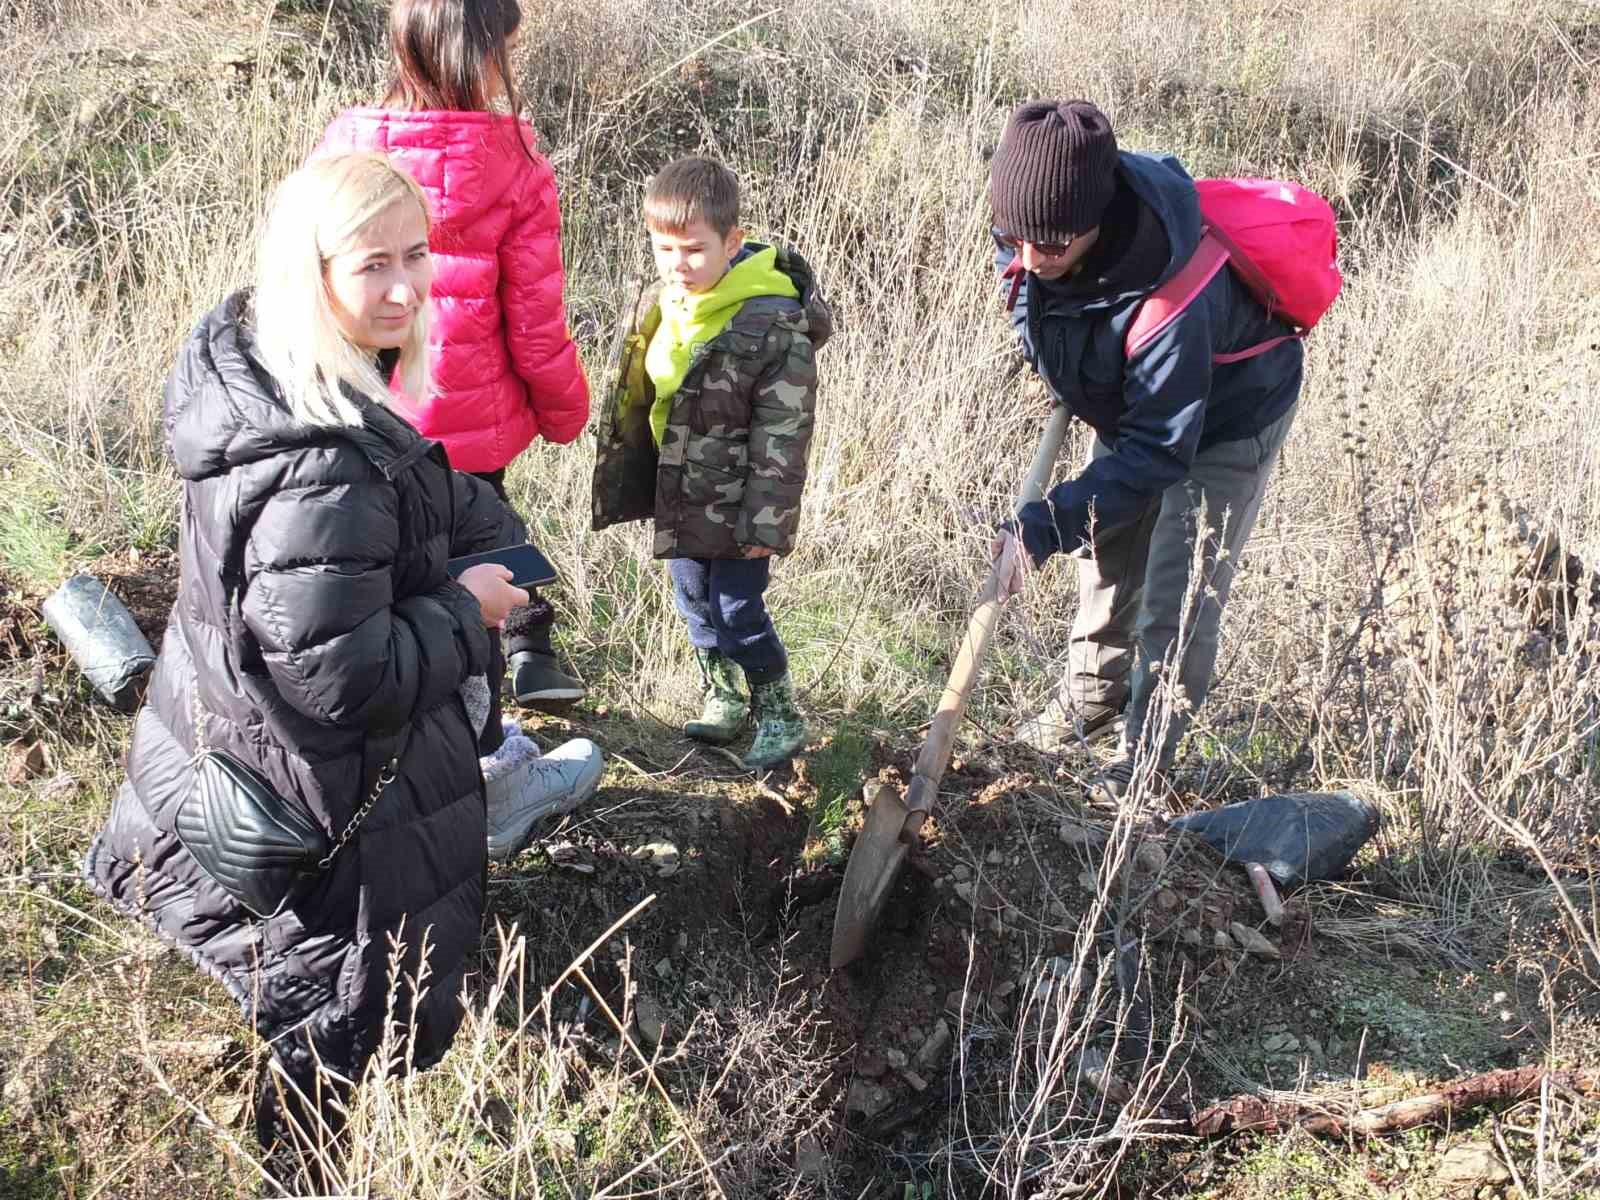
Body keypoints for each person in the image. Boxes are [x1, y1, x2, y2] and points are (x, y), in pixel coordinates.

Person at [80, 154, 598, 1178]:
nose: (406, 287)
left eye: (417, 254)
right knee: (322, 1021)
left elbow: (397, 508)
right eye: (373, 264)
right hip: (315, 800)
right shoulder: (322, 459)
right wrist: (468, 611)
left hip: (240, 751)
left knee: (302, 1006)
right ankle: (307, 1171)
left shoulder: (278, 376)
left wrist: (476, 526)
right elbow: (343, 678)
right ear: (310, 272)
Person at [987, 100, 1303, 806]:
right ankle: (1093, 696)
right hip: (1132, 398)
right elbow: (1028, 284)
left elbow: (1158, 452)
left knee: (1177, 593)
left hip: (1227, 417)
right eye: (1014, 239)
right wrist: (1057, 364)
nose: (1030, 260)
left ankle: (1145, 756)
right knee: (1108, 551)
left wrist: (1040, 527)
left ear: (1096, 222)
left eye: (1051, 246)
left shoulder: (1172, 297)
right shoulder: (1034, 225)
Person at [316, 0, 591, 712]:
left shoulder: (346, 146)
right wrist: (565, 412)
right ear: (482, 53)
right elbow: (535, 322)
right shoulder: (515, 161)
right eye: (507, 51)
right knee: (482, 541)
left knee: (385, 563)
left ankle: (436, 709)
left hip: (364, 411)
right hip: (470, 423)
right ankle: (504, 694)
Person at [591, 157, 833, 769]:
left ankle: (779, 713)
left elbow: (784, 435)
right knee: (694, 600)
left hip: (740, 503)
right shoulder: (662, 304)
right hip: (679, 491)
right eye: (664, 248)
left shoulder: (771, 323)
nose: (678, 264)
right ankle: (724, 697)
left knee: (737, 610)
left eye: (695, 249)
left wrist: (765, 524)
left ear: (732, 241)